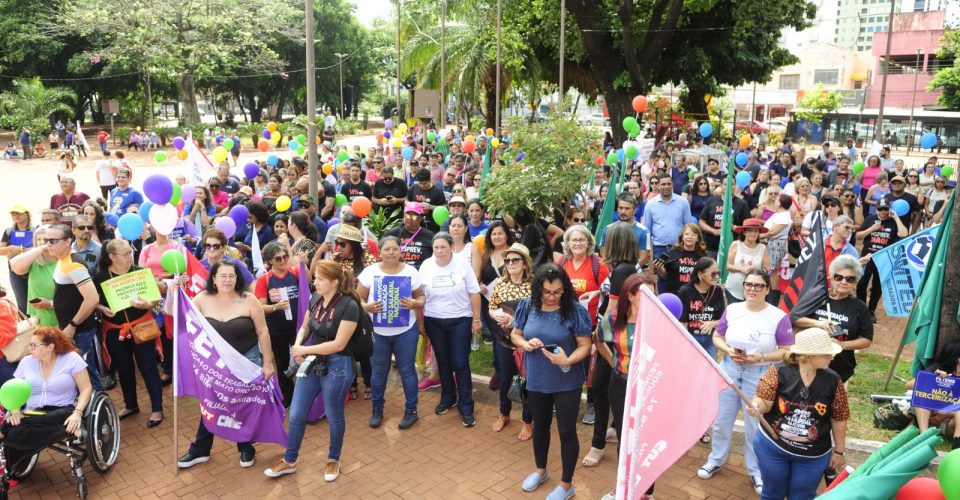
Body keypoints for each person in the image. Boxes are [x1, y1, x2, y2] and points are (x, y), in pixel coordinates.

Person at [699, 271, 794, 496]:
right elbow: (717, 337)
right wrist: (728, 351)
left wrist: (759, 357)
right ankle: (716, 459)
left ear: (767, 289)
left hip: (759, 374)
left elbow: (787, 351)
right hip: (729, 370)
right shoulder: (733, 310)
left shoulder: (778, 316)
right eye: (748, 284)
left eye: (758, 285)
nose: (752, 289)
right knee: (722, 421)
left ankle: (756, 470)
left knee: (755, 426)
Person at [178, 260, 276, 470]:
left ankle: (246, 446)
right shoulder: (201, 299)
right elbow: (180, 318)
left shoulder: (249, 300)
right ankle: (200, 450)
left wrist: (268, 364)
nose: (227, 280)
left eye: (231, 276)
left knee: (244, 405)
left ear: (237, 278)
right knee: (211, 403)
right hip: (215, 364)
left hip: (247, 360)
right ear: (213, 279)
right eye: (222, 275)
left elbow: (263, 332)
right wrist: (174, 291)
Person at [263, 261, 357, 480]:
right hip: (312, 360)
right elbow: (304, 326)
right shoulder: (315, 298)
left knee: (334, 415)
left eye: (320, 279)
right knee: (296, 414)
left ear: (334, 282)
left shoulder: (349, 306)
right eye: (316, 278)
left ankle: (333, 459)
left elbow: (339, 344)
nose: (315, 282)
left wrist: (305, 349)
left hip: (337, 364)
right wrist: (298, 347)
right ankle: (290, 460)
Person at [510, 264, 592, 500]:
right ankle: (541, 471)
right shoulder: (528, 305)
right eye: (547, 292)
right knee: (541, 426)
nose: (552, 296)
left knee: (567, 431)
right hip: (537, 379)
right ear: (538, 289)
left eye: (558, 292)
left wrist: (567, 358)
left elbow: (586, 345)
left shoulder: (574, 310)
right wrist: (525, 344)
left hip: (567, 381)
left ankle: (567, 485)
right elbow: (516, 333)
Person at [748, 328, 850, 500]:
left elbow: (839, 417)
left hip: (813, 455)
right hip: (773, 448)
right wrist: (757, 406)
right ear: (808, 356)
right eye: (827, 354)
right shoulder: (778, 371)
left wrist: (839, 452)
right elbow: (764, 402)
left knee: (803, 496)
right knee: (772, 493)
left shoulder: (833, 380)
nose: (832, 357)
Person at [583, 222, 642, 468]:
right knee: (611, 389)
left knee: (600, 390)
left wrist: (598, 338)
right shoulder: (626, 267)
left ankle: (597, 444)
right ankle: (615, 428)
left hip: (613, 338)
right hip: (622, 338)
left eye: (607, 238)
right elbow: (613, 294)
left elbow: (613, 310)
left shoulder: (621, 270)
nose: (603, 243)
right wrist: (598, 294)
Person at [596, 273, 656, 500]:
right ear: (631, 295)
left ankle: (646, 492)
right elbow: (598, 339)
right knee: (625, 438)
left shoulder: (659, 321)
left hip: (649, 387)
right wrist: (614, 360)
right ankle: (624, 488)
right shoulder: (613, 320)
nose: (653, 298)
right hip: (620, 385)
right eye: (646, 293)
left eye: (654, 292)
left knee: (646, 440)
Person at [93, 239, 164, 427]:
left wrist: (147, 304)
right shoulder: (100, 277)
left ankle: (157, 408)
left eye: (130, 251)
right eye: (125, 254)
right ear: (112, 257)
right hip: (116, 331)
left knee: (148, 367)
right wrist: (102, 308)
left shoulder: (140, 272)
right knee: (124, 369)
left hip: (142, 327)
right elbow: (92, 300)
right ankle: (131, 404)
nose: (130, 255)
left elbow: (155, 300)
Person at [357, 236, 425, 430]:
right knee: (379, 372)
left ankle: (411, 411)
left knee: (407, 371)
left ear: (400, 251)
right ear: (380, 251)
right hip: (378, 333)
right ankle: (377, 410)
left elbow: (421, 296)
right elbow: (358, 299)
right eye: (387, 249)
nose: (391, 252)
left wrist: (416, 303)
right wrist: (367, 307)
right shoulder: (370, 272)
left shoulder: (411, 271)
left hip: (405, 331)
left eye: (395, 249)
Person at [0, 327, 93, 469]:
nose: (29, 348)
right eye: (30, 344)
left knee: (15, 428)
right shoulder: (26, 362)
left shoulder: (71, 359)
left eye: (34, 345)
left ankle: (5, 428)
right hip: (34, 411)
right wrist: (15, 410)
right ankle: (64, 430)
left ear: (50, 347)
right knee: (14, 434)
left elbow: (86, 388)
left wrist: (78, 413)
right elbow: (16, 390)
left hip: (62, 409)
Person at [420, 232, 482, 426]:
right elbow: (419, 294)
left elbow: (474, 293)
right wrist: (421, 322)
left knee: (460, 362)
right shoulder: (426, 266)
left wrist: (477, 319)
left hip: (460, 319)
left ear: (451, 248)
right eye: (436, 247)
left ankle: (466, 405)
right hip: (434, 320)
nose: (439, 251)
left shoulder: (463, 266)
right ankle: (448, 397)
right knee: (443, 361)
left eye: (443, 247)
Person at [40, 224, 104, 391]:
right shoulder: (63, 260)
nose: (48, 244)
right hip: (72, 328)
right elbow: (71, 297)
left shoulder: (74, 265)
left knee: (87, 375)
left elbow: (92, 299)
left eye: (53, 240)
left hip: (79, 331)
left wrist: (71, 326)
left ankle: (101, 412)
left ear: (68, 241)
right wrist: (50, 304)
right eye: (46, 240)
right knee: (79, 375)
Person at [794, 255, 873, 384]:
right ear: (832, 278)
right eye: (838, 277)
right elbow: (795, 319)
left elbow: (866, 340)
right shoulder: (817, 299)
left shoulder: (860, 308)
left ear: (855, 283)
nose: (843, 282)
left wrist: (842, 345)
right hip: (807, 364)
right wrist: (818, 323)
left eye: (850, 279)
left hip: (839, 368)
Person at [488, 243, 534, 439]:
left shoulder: (534, 284)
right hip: (504, 340)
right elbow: (492, 306)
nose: (511, 263)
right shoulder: (500, 283)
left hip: (525, 341)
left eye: (516, 260)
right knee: (505, 378)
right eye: (508, 260)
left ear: (525, 263)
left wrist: (514, 321)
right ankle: (504, 413)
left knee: (526, 381)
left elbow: (537, 313)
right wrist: (496, 316)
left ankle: (527, 421)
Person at [254, 242, 302, 407]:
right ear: (270, 261)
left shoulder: (295, 272)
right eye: (278, 258)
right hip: (277, 329)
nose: (283, 261)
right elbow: (261, 307)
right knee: (282, 364)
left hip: (298, 327)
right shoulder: (264, 280)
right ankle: (289, 397)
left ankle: (305, 394)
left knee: (303, 359)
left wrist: (302, 264)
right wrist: (276, 307)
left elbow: (309, 280)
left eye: (285, 257)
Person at [854, 198, 907, 319]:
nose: (883, 212)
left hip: (884, 258)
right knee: (862, 283)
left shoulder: (893, 221)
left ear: (890, 209)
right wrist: (871, 229)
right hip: (867, 256)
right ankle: (861, 310)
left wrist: (896, 218)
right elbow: (858, 236)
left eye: (886, 209)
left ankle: (871, 311)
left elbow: (903, 234)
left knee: (877, 285)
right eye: (880, 209)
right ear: (876, 209)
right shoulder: (870, 219)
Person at [908, 341, 960, 450]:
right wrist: (934, 379)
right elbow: (909, 385)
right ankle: (924, 436)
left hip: (950, 423)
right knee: (924, 395)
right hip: (928, 417)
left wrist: (946, 414)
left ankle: (957, 443)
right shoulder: (938, 368)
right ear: (955, 357)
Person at [678, 257, 727, 358]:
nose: (717, 277)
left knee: (708, 369)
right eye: (713, 274)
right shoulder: (685, 291)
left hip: (710, 338)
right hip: (691, 336)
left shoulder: (717, 291)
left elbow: (723, 319)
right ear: (700, 275)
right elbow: (682, 321)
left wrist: (713, 323)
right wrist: (686, 341)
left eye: (718, 273)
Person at [642, 174, 694, 260]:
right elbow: (647, 231)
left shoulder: (683, 202)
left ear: (672, 184)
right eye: (663, 184)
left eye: (668, 184)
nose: (666, 186)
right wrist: (648, 251)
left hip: (679, 247)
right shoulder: (650, 205)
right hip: (659, 248)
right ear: (658, 185)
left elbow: (688, 226)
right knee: (661, 273)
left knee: (678, 273)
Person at [725, 219, 771, 303]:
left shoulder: (763, 248)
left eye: (755, 231)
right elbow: (728, 266)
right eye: (750, 231)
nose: (753, 233)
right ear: (744, 232)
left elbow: (767, 268)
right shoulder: (736, 244)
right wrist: (741, 269)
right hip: (734, 288)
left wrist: (755, 271)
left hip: (754, 291)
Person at [653, 222, 706, 294]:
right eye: (687, 234)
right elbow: (663, 274)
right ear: (682, 237)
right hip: (673, 293)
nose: (689, 237)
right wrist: (659, 268)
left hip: (693, 294)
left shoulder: (702, 256)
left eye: (693, 235)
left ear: (698, 238)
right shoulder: (670, 253)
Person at [0, 205, 34, 313]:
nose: (16, 216)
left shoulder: (36, 229)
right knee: (22, 303)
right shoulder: (9, 231)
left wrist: (20, 250)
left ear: (27, 214)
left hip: (33, 268)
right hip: (14, 270)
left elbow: (41, 249)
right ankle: (27, 327)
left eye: (19, 213)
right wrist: (9, 249)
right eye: (13, 213)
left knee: (35, 300)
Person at [385, 202, 435, 269]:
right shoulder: (393, 233)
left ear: (420, 218)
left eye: (414, 216)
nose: (410, 218)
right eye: (407, 215)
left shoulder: (430, 236)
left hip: (420, 271)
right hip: (397, 270)